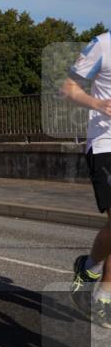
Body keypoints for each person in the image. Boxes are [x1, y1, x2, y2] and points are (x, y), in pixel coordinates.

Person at [63, 30, 111, 328]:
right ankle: (92, 272)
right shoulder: (103, 44)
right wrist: (97, 104)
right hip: (106, 144)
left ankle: (99, 289)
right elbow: (69, 87)